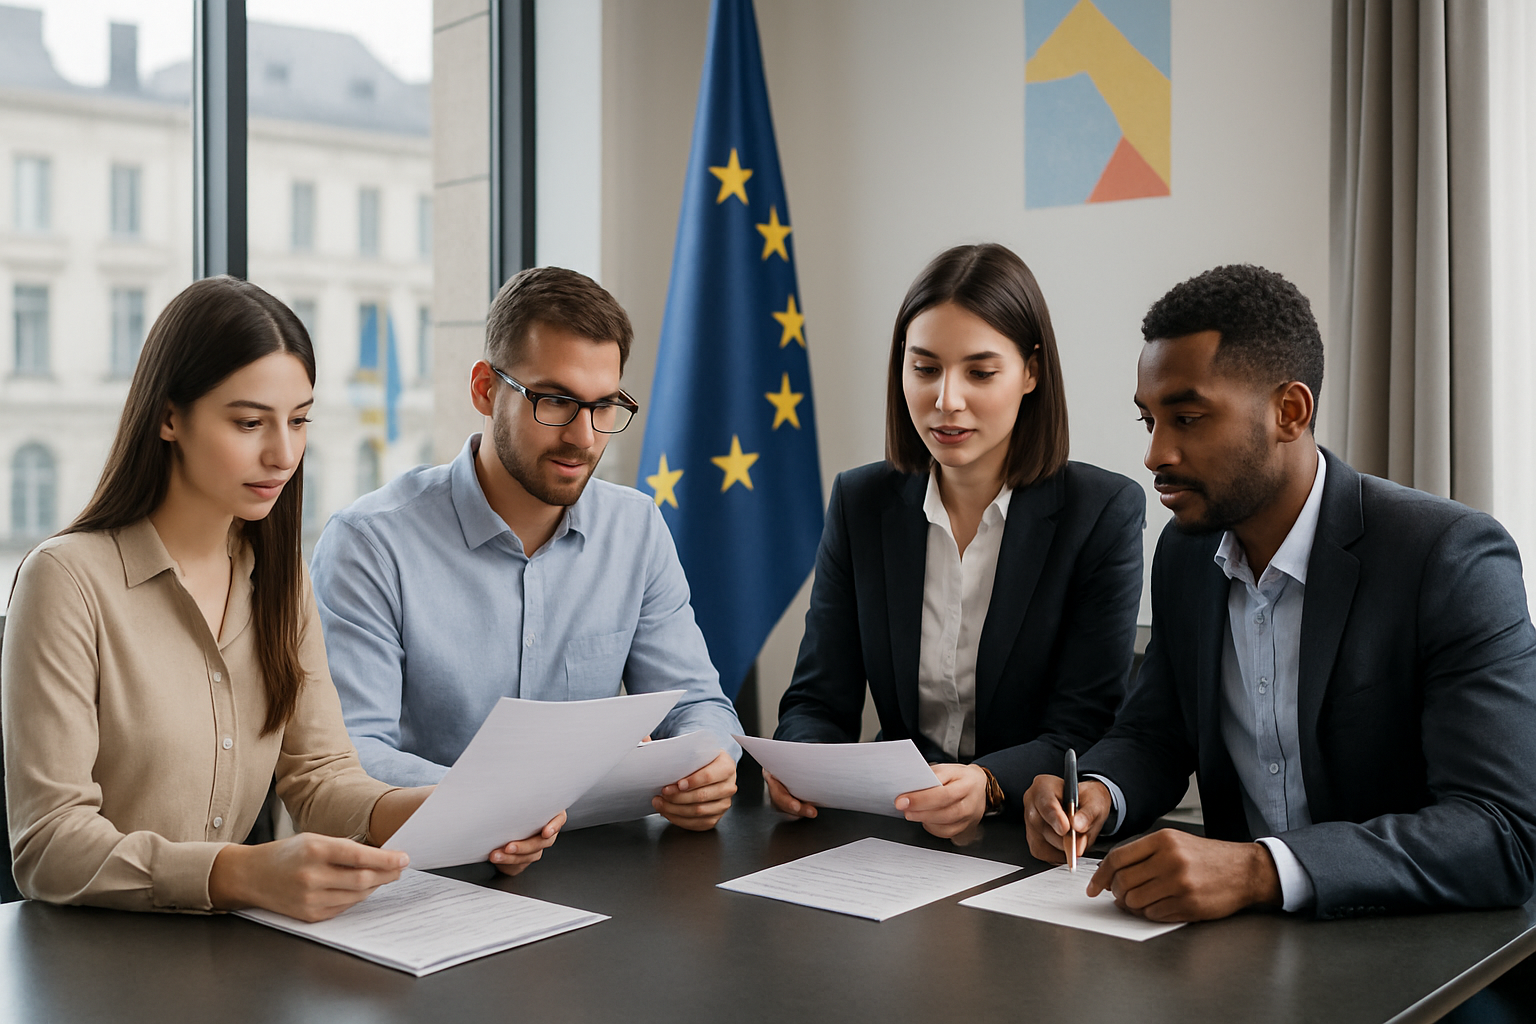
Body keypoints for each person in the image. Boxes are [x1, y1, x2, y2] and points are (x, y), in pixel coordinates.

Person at [0, 277, 554, 919]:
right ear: (169, 416)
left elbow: (321, 777)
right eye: (248, 422)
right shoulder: (66, 581)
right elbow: (48, 844)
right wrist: (240, 873)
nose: (283, 453)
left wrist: (457, 810)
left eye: (299, 421)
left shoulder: (280, 579)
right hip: (94, 969)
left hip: (234, 963)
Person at [1024, 264, 1536, 921]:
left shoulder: (1450, 557)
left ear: (1289, 412)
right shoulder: (1185, 553)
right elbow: (1155, 735)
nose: (1155, 453)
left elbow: (1501, 831)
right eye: (1148, 420)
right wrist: (1095, 793)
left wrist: (1260, 869)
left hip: (1418, 952)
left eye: (1186, 417)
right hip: (1244, 954)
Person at [310, 267, 742, 831]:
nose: (584, 437)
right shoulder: (369, 544)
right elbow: (353, 755)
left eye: (604, 406)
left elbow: (697, 706)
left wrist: (706, 761)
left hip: (602, 875)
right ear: (485, 390)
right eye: (556, 400)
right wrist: (501, 805)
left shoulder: (635, 528)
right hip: (434, 869)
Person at [770, 243, 1145, 838]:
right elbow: (819, 699)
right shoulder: (860, 502)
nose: (946, 399)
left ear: (1032, 371)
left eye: (980, 371)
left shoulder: (1102, 512)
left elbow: (1086, 726)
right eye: (924, 369)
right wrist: (800, 762)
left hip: (1031, 832)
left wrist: (989, 782)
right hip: (895, 823)